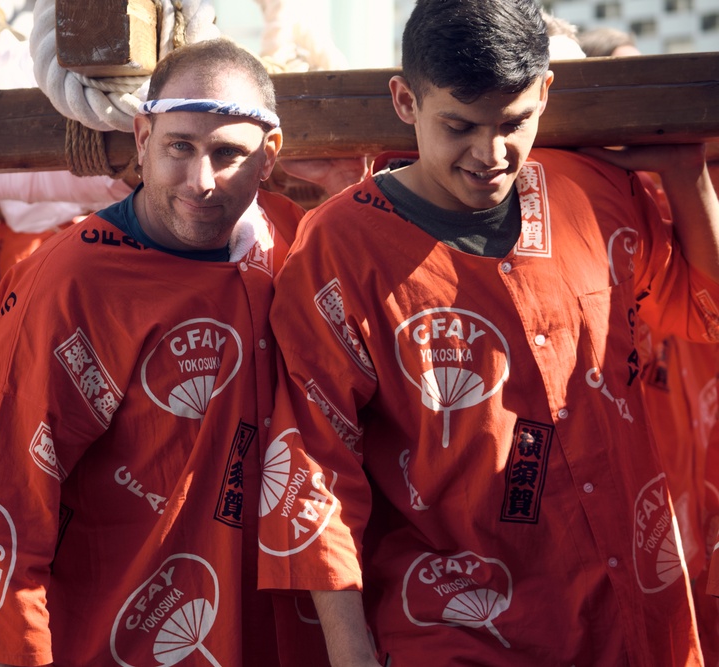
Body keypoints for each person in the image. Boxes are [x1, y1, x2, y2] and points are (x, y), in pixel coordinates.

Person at [257, 0, 719, 665]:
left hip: (636, 613)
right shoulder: (338, 248)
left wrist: (687, 175)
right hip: (457, 628)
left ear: (546, 93)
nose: (491, 154)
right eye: (460, 126)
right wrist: (350, 653)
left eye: (514, 122)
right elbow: (313, 466)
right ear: (404, 100)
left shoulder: (590, 191)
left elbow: (704, 313)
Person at [0, 37, 325, 667]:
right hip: (122, 641)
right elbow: (2, 504)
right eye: (181, 146)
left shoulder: (295, 245)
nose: (201, 181)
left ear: (270, 156)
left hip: (275, 633)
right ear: (142, 136)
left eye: (229, 153)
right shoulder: (67, 285)